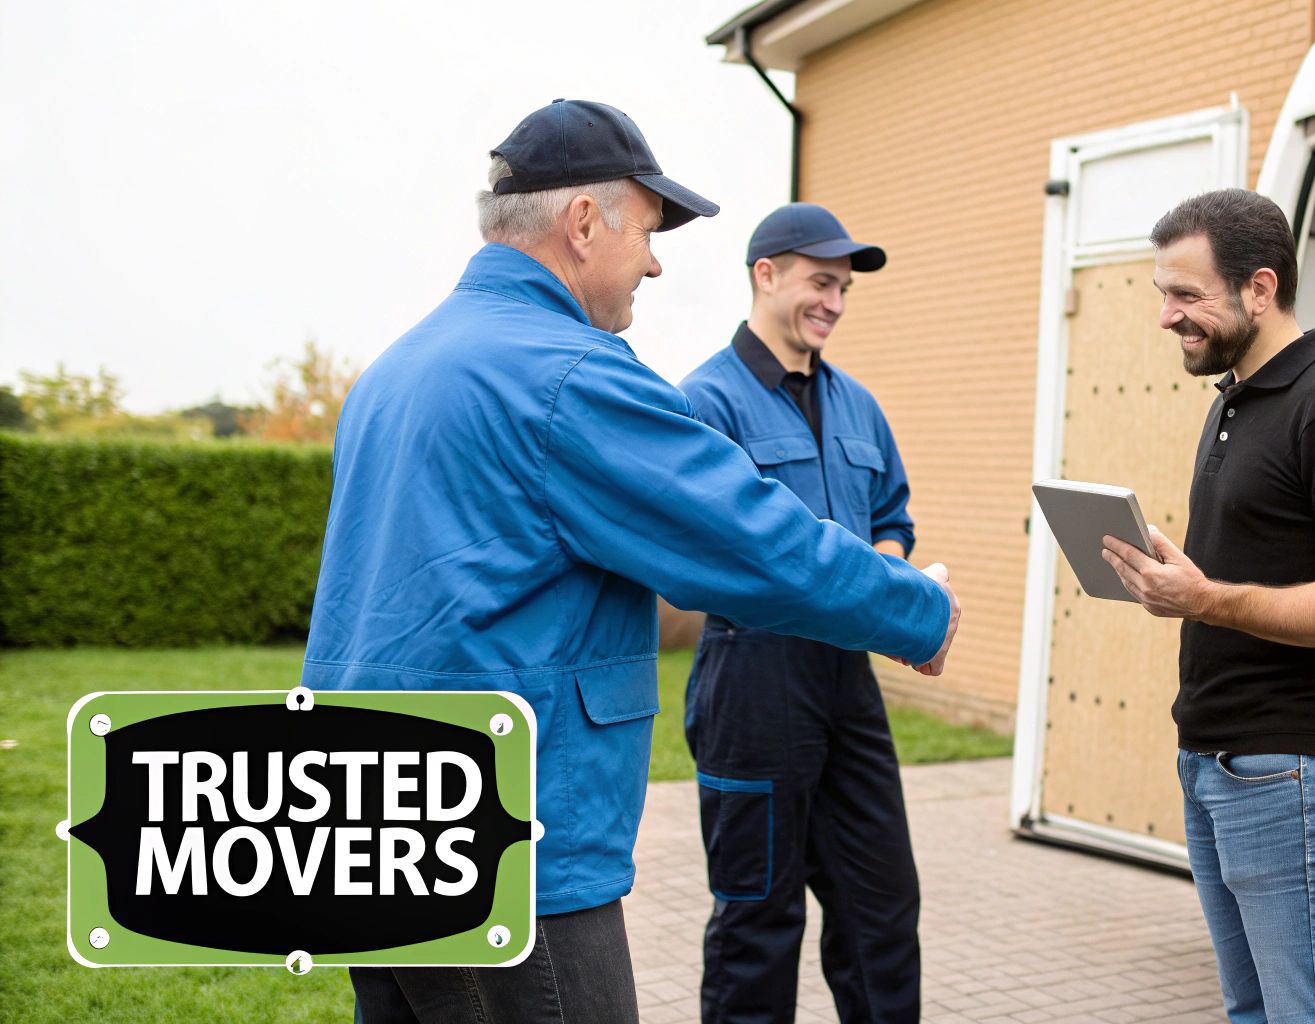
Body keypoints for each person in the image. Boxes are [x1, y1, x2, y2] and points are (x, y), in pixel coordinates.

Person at [301, 100, 959, 1024]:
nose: (653, 261)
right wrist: (914, 611)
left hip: (366, 820)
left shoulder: (396, 370)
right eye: (648, 233)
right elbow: (746, 539)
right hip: (508, 847)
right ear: (581, 223)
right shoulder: (569, 374)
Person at [1100, 189, 1315, 1024]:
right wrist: (1181, 579)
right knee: (1253, 1013)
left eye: (1187, 295)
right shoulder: (1235, 401)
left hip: (1300, 771)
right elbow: (1265, 567)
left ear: (1261, 287)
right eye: (1162, 294)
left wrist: (1207, 597)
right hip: (1217, 762)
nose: (1167, 317)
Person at [676, 203, 921, 1024]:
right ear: (766, 274)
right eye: (822, 282)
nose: (836, 303)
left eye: (845, 288)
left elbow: (892, 517)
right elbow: (703, 556)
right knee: (759, 916)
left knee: (882, 910)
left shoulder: (859, 406)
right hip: (753, 677)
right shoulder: (704, 403)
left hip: (846, 678)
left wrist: (890, 584)